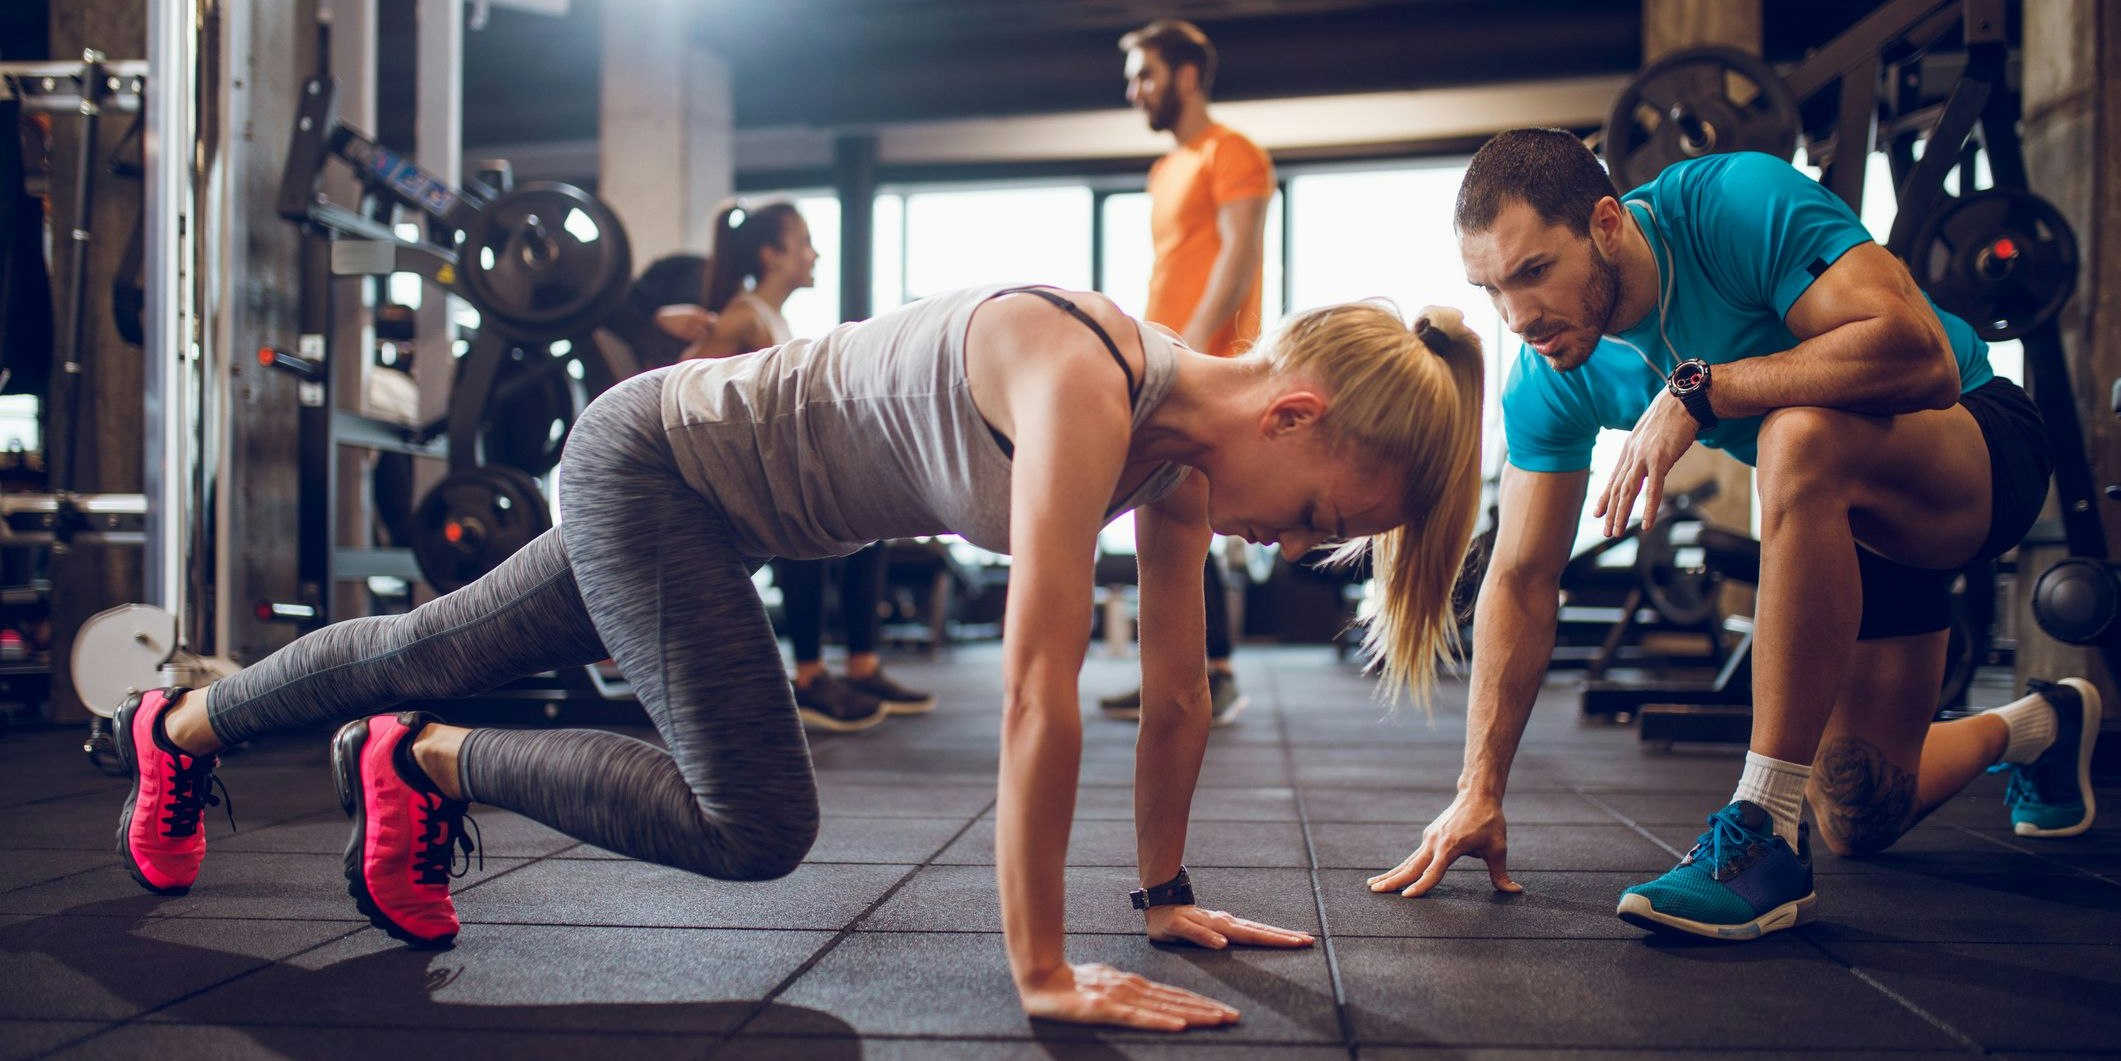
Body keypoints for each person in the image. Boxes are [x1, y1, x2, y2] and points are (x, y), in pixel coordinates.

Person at [111, 283, 1486, 1031]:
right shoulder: (1083, 378)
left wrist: (1166, 894)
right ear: (1295, 411)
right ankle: (416, 760)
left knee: (434, 637)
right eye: (1313, 515)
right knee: (757, 820)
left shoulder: (1179, 458)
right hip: (657, 467)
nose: (1287, 543)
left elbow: (1178, 691)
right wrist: (1045, 970)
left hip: (703, 504)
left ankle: (176, 731)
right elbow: (1033, 690)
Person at [1369, 128, 2102, 943]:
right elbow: (1521, 578)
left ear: (1606, 224)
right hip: (1848, 523)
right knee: (1861, 808)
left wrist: (1702, 389)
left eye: (1535, 271)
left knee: (1794, 437)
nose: (1520, 316)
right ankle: (2043, 724)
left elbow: (1921, 353)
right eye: (1492, 289)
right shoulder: (1550, 371)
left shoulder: (1731, 206)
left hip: (1966, 443)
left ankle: (1763, 827)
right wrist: (1480, 787)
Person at [665, 198, 934, 731]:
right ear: (771, 254)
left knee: (869, 526)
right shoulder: (744, 315)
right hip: (727, 481)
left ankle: (861, 666)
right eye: (804, 242)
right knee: (803, 520)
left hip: (769, 471)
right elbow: (675, 388)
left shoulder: (769, 318)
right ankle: (809, 677)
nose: (815, 253)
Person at [1102, 19, 1274, 725]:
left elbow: (1237, 256)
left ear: (1185, 75)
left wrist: (1193, 354)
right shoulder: (1163, 169)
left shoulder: (1230, 153)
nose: (1133, 90)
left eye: (1144, 74)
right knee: (1162, 506)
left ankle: (1216, 671)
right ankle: (1174, 673)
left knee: (1189, 512)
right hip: (1161, 350)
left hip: (1202, 358)